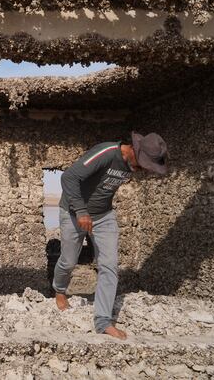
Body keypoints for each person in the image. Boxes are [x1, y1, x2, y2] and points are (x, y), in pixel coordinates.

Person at [53, 132, 168, 340]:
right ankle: (60, 290)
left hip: (104, 216)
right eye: (143, 165)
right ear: (134, 150)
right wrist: (81, 211)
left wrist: (93, 214)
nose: (143, 170)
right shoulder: (106, 153)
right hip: (72, 212)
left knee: (109, 265)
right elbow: (68, 177)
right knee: (68, 261)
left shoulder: (131, 164)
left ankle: (103, 321)